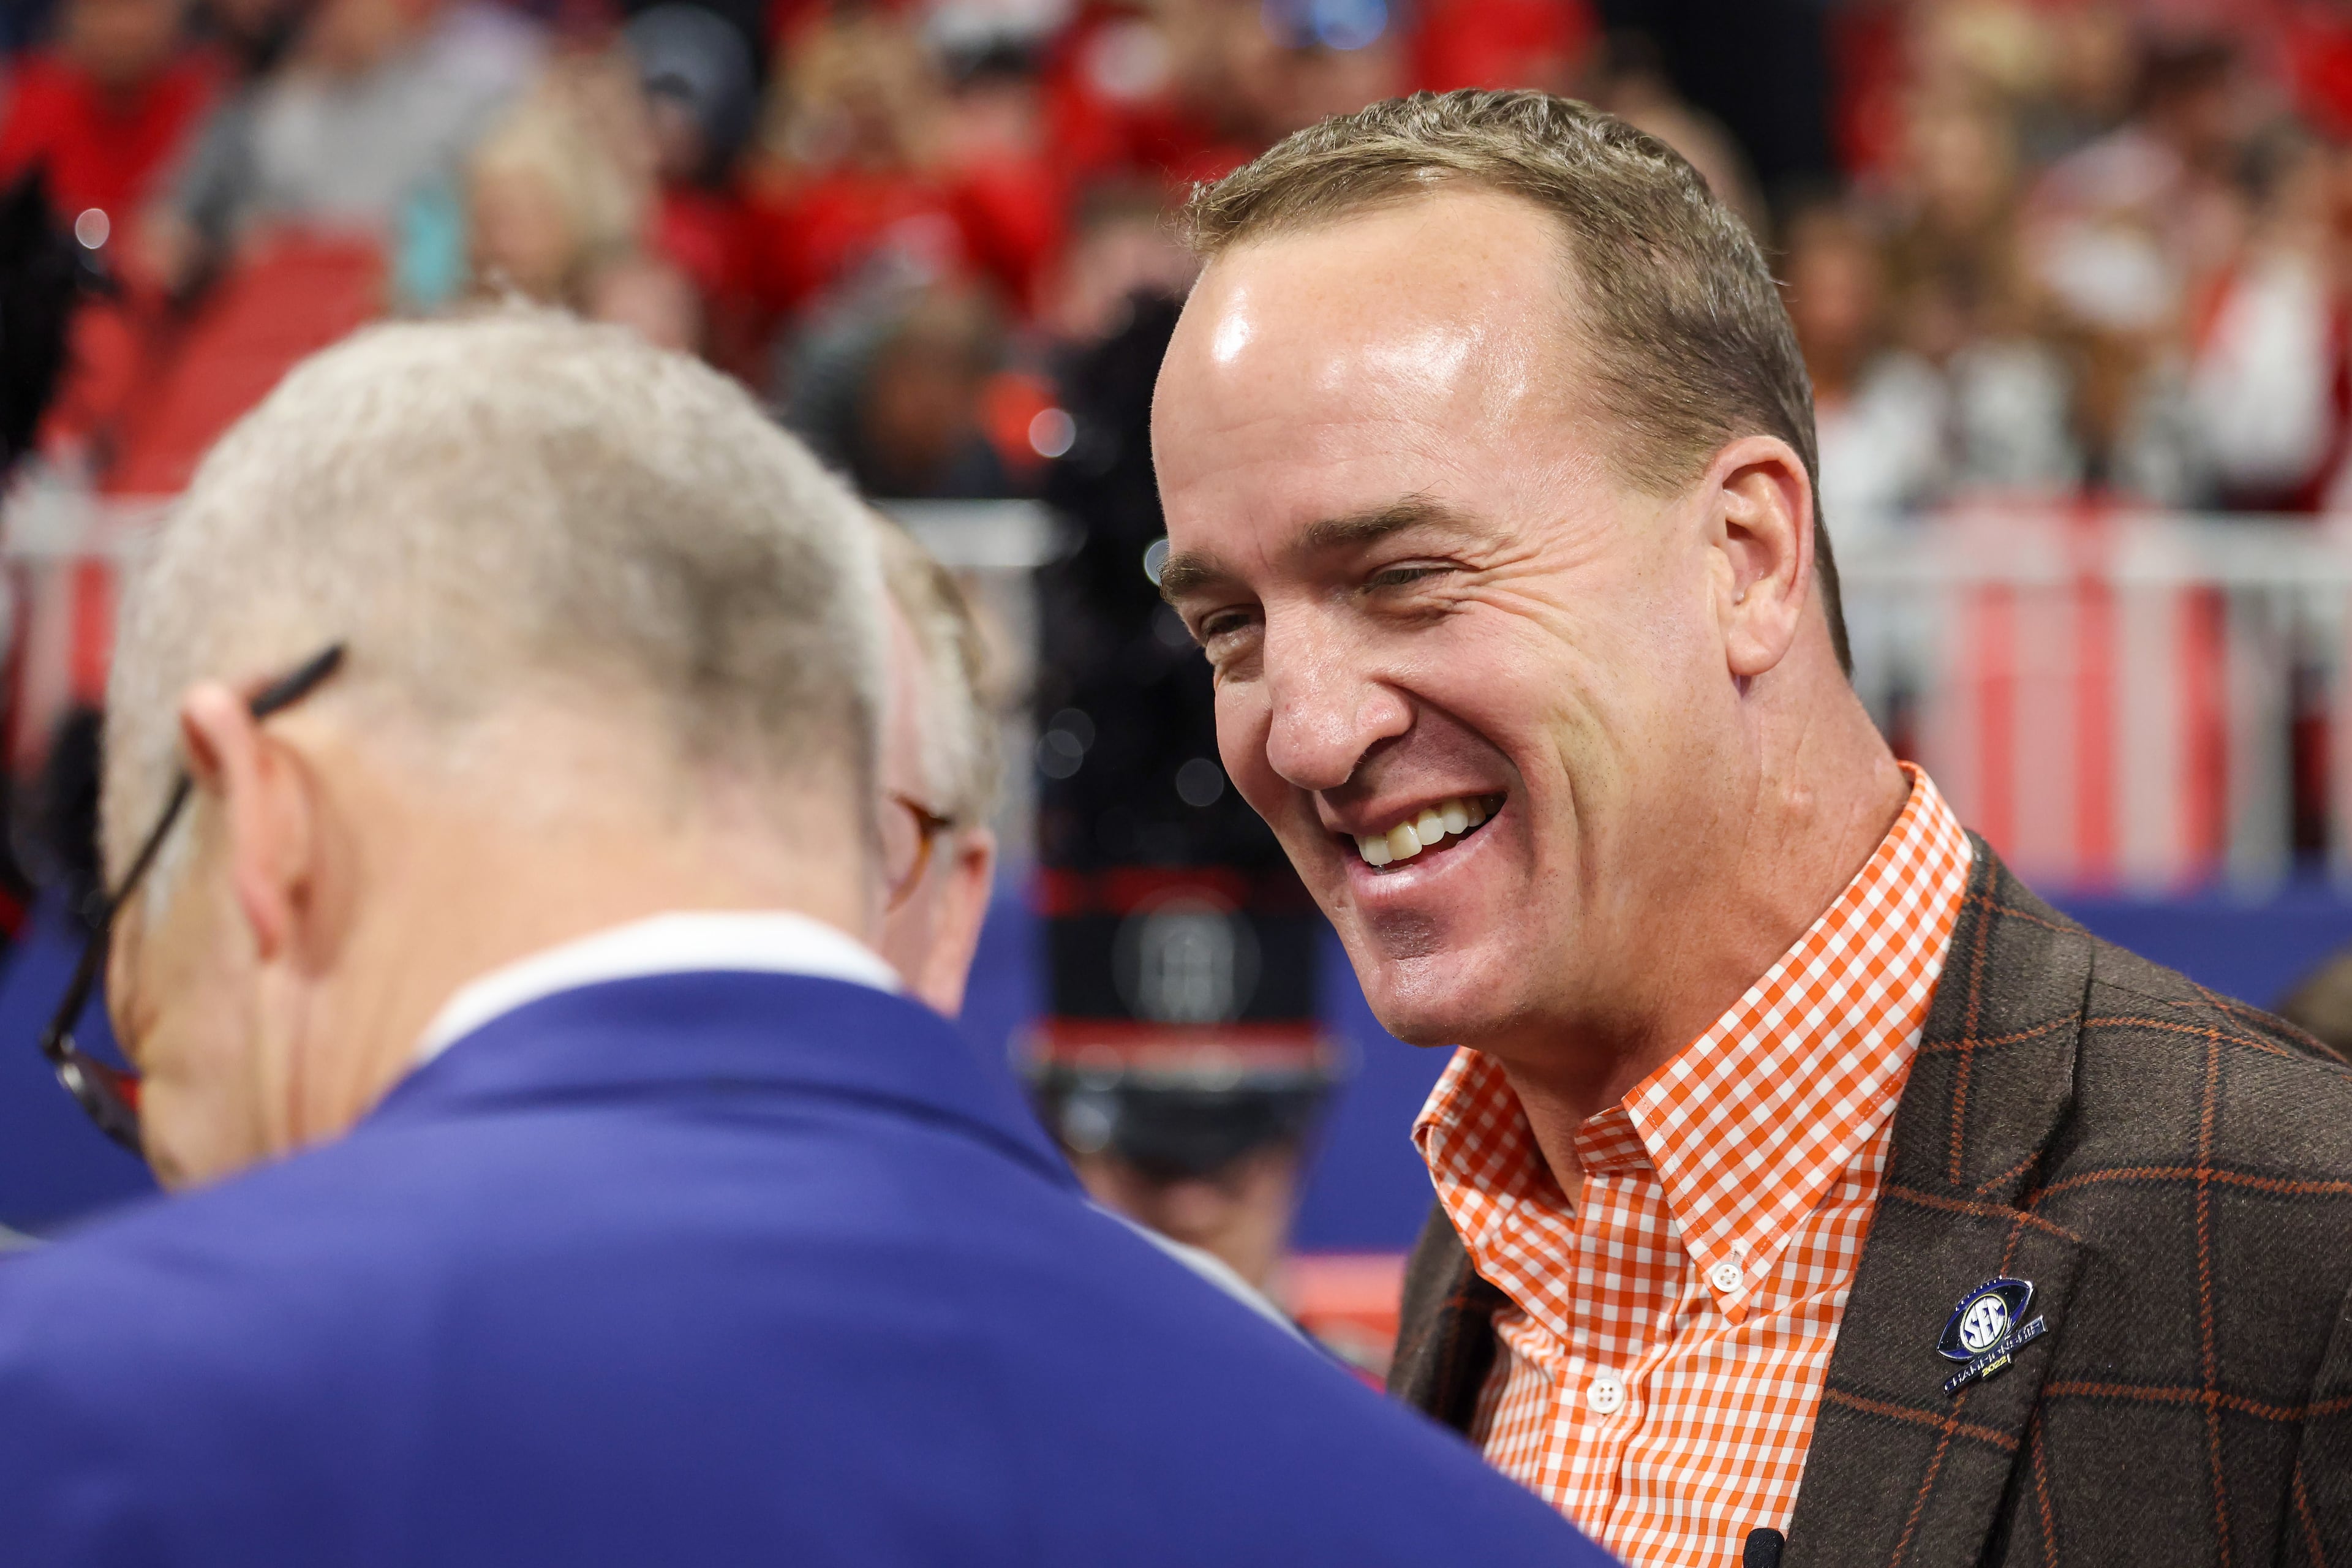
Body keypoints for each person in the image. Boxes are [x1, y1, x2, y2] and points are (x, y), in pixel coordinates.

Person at [0, 309, 1601, 1567]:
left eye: (135, 1045)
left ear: (265, 816)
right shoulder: (1448, 1525)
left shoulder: (68, 1423)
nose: (188, 1165)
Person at [1150, 89, 2352, 1568]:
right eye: (1230, 625)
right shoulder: (1479, 1251)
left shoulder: (2302, 1241)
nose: (1306, 732)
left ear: (1749, 555)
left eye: (1404, 577)